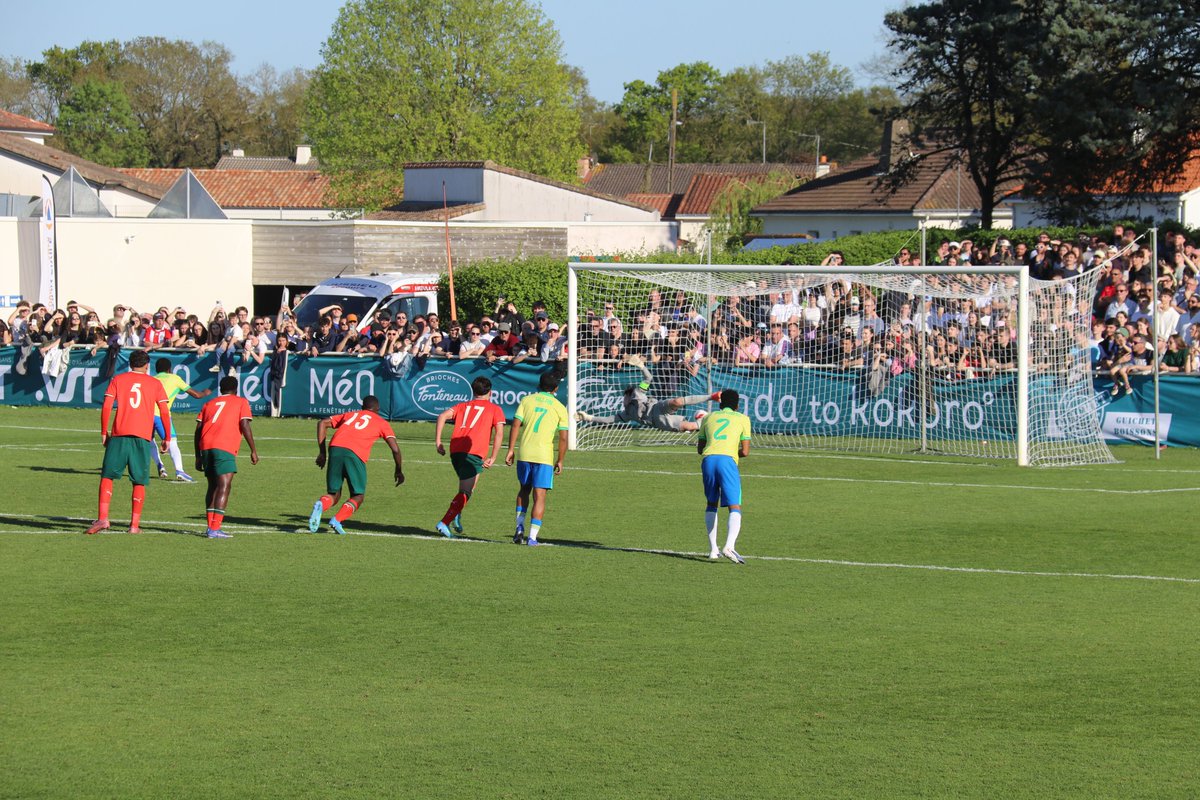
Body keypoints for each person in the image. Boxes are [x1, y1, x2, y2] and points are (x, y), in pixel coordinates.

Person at [86, 349, 171, 534]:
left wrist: (103, 431)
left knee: (107, 476)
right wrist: (167, 437)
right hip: (142, 436)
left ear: (130, 364)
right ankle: (134, 526)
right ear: (147, 365)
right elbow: (164, 411)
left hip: (119, 434)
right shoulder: (154, 383)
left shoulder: (118, 379)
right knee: (139, 480)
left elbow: (107, 405)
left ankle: (102, 519)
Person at [307, 395, 404, 534]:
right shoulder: (382, 422)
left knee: (334, 494)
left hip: (335, 449)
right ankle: (337, 520)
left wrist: (322, 453)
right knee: (358, 496)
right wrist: (398, 470)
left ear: (362, 407)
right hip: (355, 453)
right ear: (378, 409)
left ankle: (321, 504)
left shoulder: (351, 415)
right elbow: (395, 449)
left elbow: (322, 423)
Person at [433, 376, 506, 538]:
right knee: (466, 491)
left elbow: (442, 416)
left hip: (456, 451)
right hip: (473, 452)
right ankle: (444, 522)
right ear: (491, 392)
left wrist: (438, 442)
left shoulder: (462, 405)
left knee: (467, 488)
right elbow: (499, 433)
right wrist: (493, 456)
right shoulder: (494, 409)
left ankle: (456, 514)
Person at [504, 371, 568, 546]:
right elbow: (563, 437)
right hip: (544, 456)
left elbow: (516, 424)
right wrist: (560, 459)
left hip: (525, 453)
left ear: (539, 385)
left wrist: (510, 450)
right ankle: (532, 537)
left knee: (524, 489)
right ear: (556, 388)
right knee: (540, 496)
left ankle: (519, 528)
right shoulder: (560, 407)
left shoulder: (527, 400)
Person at [575, 354, 719, 432]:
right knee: (690, 426)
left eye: (625, 397)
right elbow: (608, 420)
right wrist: (588, 417)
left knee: (677, 401)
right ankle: (706, 422)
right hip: (659, 422)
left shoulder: (638, 392)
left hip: (658, 407)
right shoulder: (626, 414)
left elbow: (648, 377)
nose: (623, 400)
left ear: (628, 395)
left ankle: (711, 396)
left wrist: (641, 366)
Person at [193, 375, 259, 538]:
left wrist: (198, 455)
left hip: (206, 446)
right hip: (224, 446)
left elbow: (198, 430)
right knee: (224, 485)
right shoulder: (241, 401)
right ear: (236, 389)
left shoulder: (209, 403)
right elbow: (244, 424)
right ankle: (215, 529)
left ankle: (210, 527)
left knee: (212, 486)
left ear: (220, 389)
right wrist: (253, 449)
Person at [697, 388, 752, 564]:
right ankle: (729, 546)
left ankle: (713, 550)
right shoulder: (743, 419)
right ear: (737, 405)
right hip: (727, 461)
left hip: (708, 460)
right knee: (734, 505)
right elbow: (745, 451)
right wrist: (730, 452)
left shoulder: (708, 417)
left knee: (711, 503)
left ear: (720, 403)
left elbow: (700, 449)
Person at [150, 357, 212, 481]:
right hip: (161, 415)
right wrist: (205, 392)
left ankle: (159, 464)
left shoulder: (152, 379)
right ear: (169, 369)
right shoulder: (174, 378)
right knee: (172, 442)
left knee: (149, 440)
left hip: (145, 414)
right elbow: (196, 395)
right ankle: (179, 471)